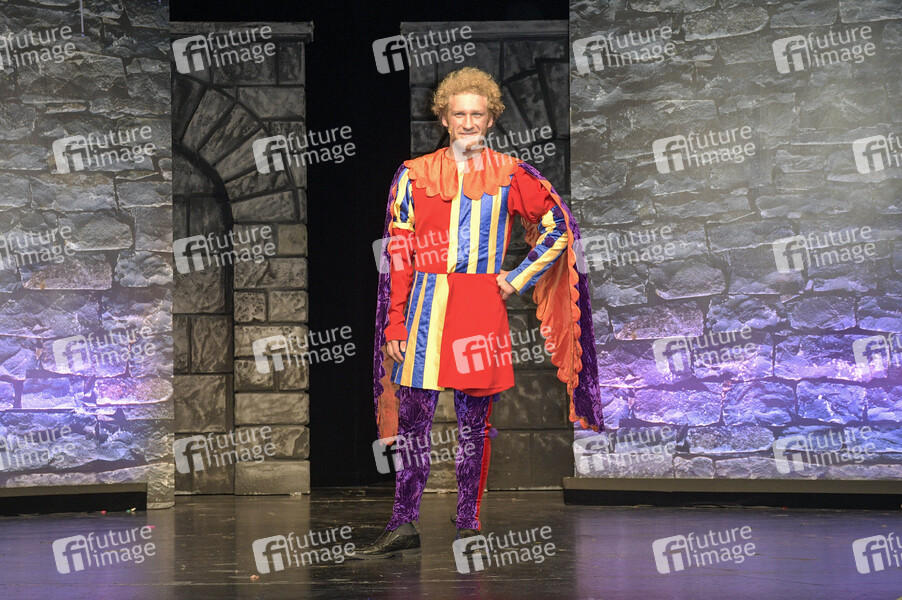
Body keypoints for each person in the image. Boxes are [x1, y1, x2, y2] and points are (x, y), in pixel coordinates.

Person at [352, 67, 603, 560]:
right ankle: (403, 522)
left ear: (490, 120)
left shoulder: (510, 173)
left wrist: (516, 278)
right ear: (444, 118)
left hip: (479, 309)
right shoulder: (413, 174)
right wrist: (395, 322)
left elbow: (559, 227)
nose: (468, 122)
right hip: (424, 307)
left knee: (474, 425)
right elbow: (399, 254)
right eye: (459, 114)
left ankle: (468, 522)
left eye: (477, 114)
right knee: (414, 422)